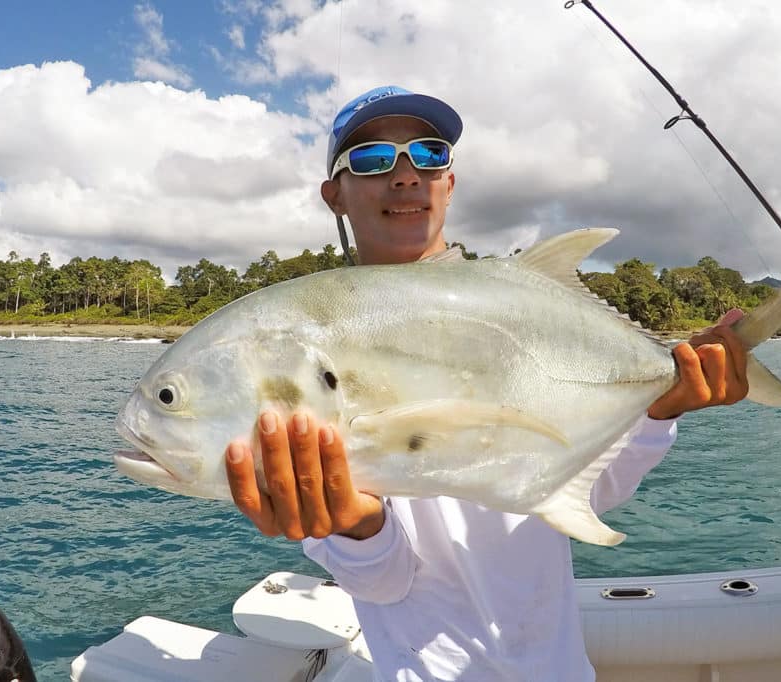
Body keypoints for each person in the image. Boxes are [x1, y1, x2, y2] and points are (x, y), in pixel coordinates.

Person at [225, 85, 749, 681]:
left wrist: (663, 405)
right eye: (371, 160)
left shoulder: (520, 304)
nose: (404, 176)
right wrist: (354, 523)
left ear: (450, 183)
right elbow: (386, 582)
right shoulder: (308, 345)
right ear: (334, 195)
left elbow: (591, 489)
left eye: (428, 155)